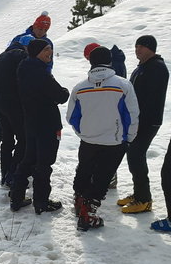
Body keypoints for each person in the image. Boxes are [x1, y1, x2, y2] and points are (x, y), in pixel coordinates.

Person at [67, 44, 139, 231]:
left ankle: (79, 201)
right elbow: (132, 115)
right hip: (114, 141)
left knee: (84, 169)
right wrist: (128, 137)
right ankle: (88, 213)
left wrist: (83, 132)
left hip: (88, 139)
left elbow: (72, 117)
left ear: (90, 61)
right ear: (109, 61)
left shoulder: (80, 87)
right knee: (103, 176)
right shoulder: (123, 85)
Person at [9, 39, 69, 213]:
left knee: (28, 160)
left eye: (50, 49)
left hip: (30, 121)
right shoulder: (41, 72)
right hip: (47, 123)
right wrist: (64, 91)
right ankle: (42, 202)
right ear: (36, 52)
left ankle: (16, 198)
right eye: (46, 50)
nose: (49, 53)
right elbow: (61, 95)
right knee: (44, 163)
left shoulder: (24, 68)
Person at [116, 36, 167, 215]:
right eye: (136, 46)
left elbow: (149, 98)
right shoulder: (143, 67)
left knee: (136, 156)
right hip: (137, 119)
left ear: (151, 48)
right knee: (134, 156)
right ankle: (139, 194)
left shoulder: (157, 68)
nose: (137, 49)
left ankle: (144, 199)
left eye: (142, 46)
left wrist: (137, 119)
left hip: (147, 120)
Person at [0, 37, 28, 187]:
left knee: (7, 140)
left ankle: (4, 174)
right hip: (16, 105)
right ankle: (14, 172)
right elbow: (23, 82)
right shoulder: (22, 56)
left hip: (0, 104)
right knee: (23, 140)